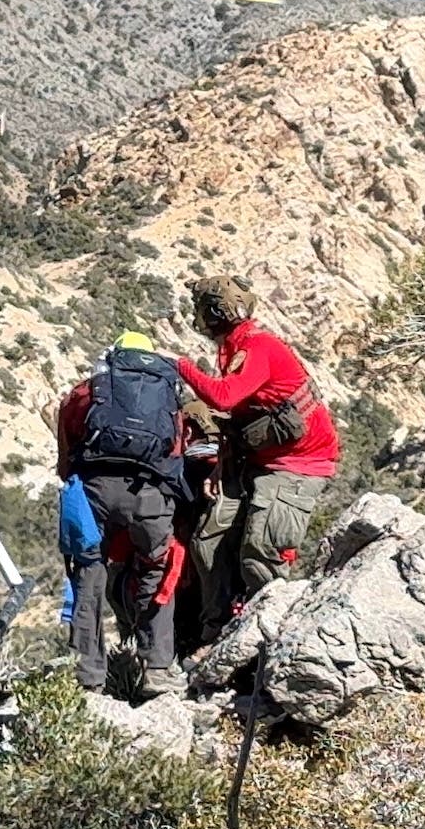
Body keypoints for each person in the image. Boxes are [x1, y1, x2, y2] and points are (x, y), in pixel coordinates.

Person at [175, 276, 337, 646]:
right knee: (209, 541)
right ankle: (214, 632)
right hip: (258, 457)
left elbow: (225, 397)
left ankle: (274, 640)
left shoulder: (258, 347)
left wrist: (180, 367)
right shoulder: (235, 347)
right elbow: (242, 416)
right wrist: (221, 465)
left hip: (298, 464)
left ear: (214, 313)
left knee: (259, 552)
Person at [55, 331, 190, 698]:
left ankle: (88, 675)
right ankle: (157, 669)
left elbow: (65, 457)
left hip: (93, 493)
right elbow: (175, 449)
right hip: (148, 497)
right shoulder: (168, 397)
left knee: (88, 576)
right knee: (156, 572)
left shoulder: (88, 391)